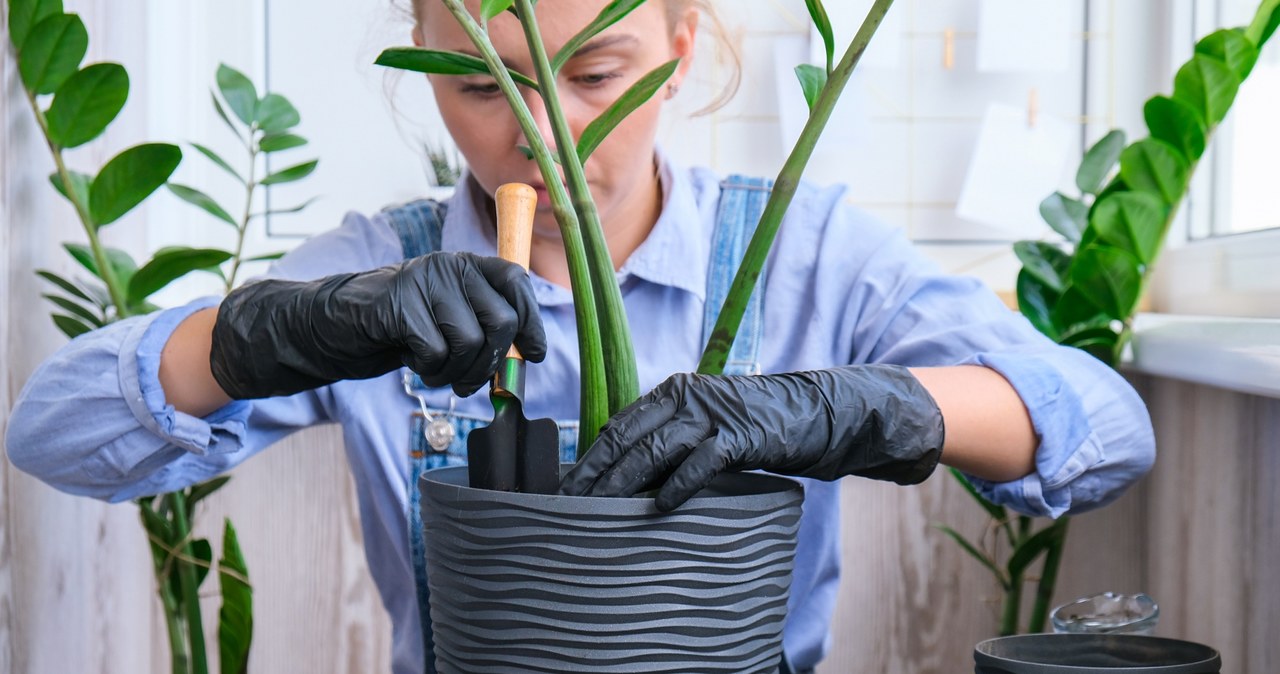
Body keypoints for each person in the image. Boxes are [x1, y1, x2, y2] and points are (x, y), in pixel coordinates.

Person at [5, 1, 1155, 673]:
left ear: (684, 45)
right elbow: (54, 431)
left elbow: (1105, 432)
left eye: (593, 74)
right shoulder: (376, 265)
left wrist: (881, 408)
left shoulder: (805, 250)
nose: (542, 138)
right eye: (477, 85)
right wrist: (270, 333)